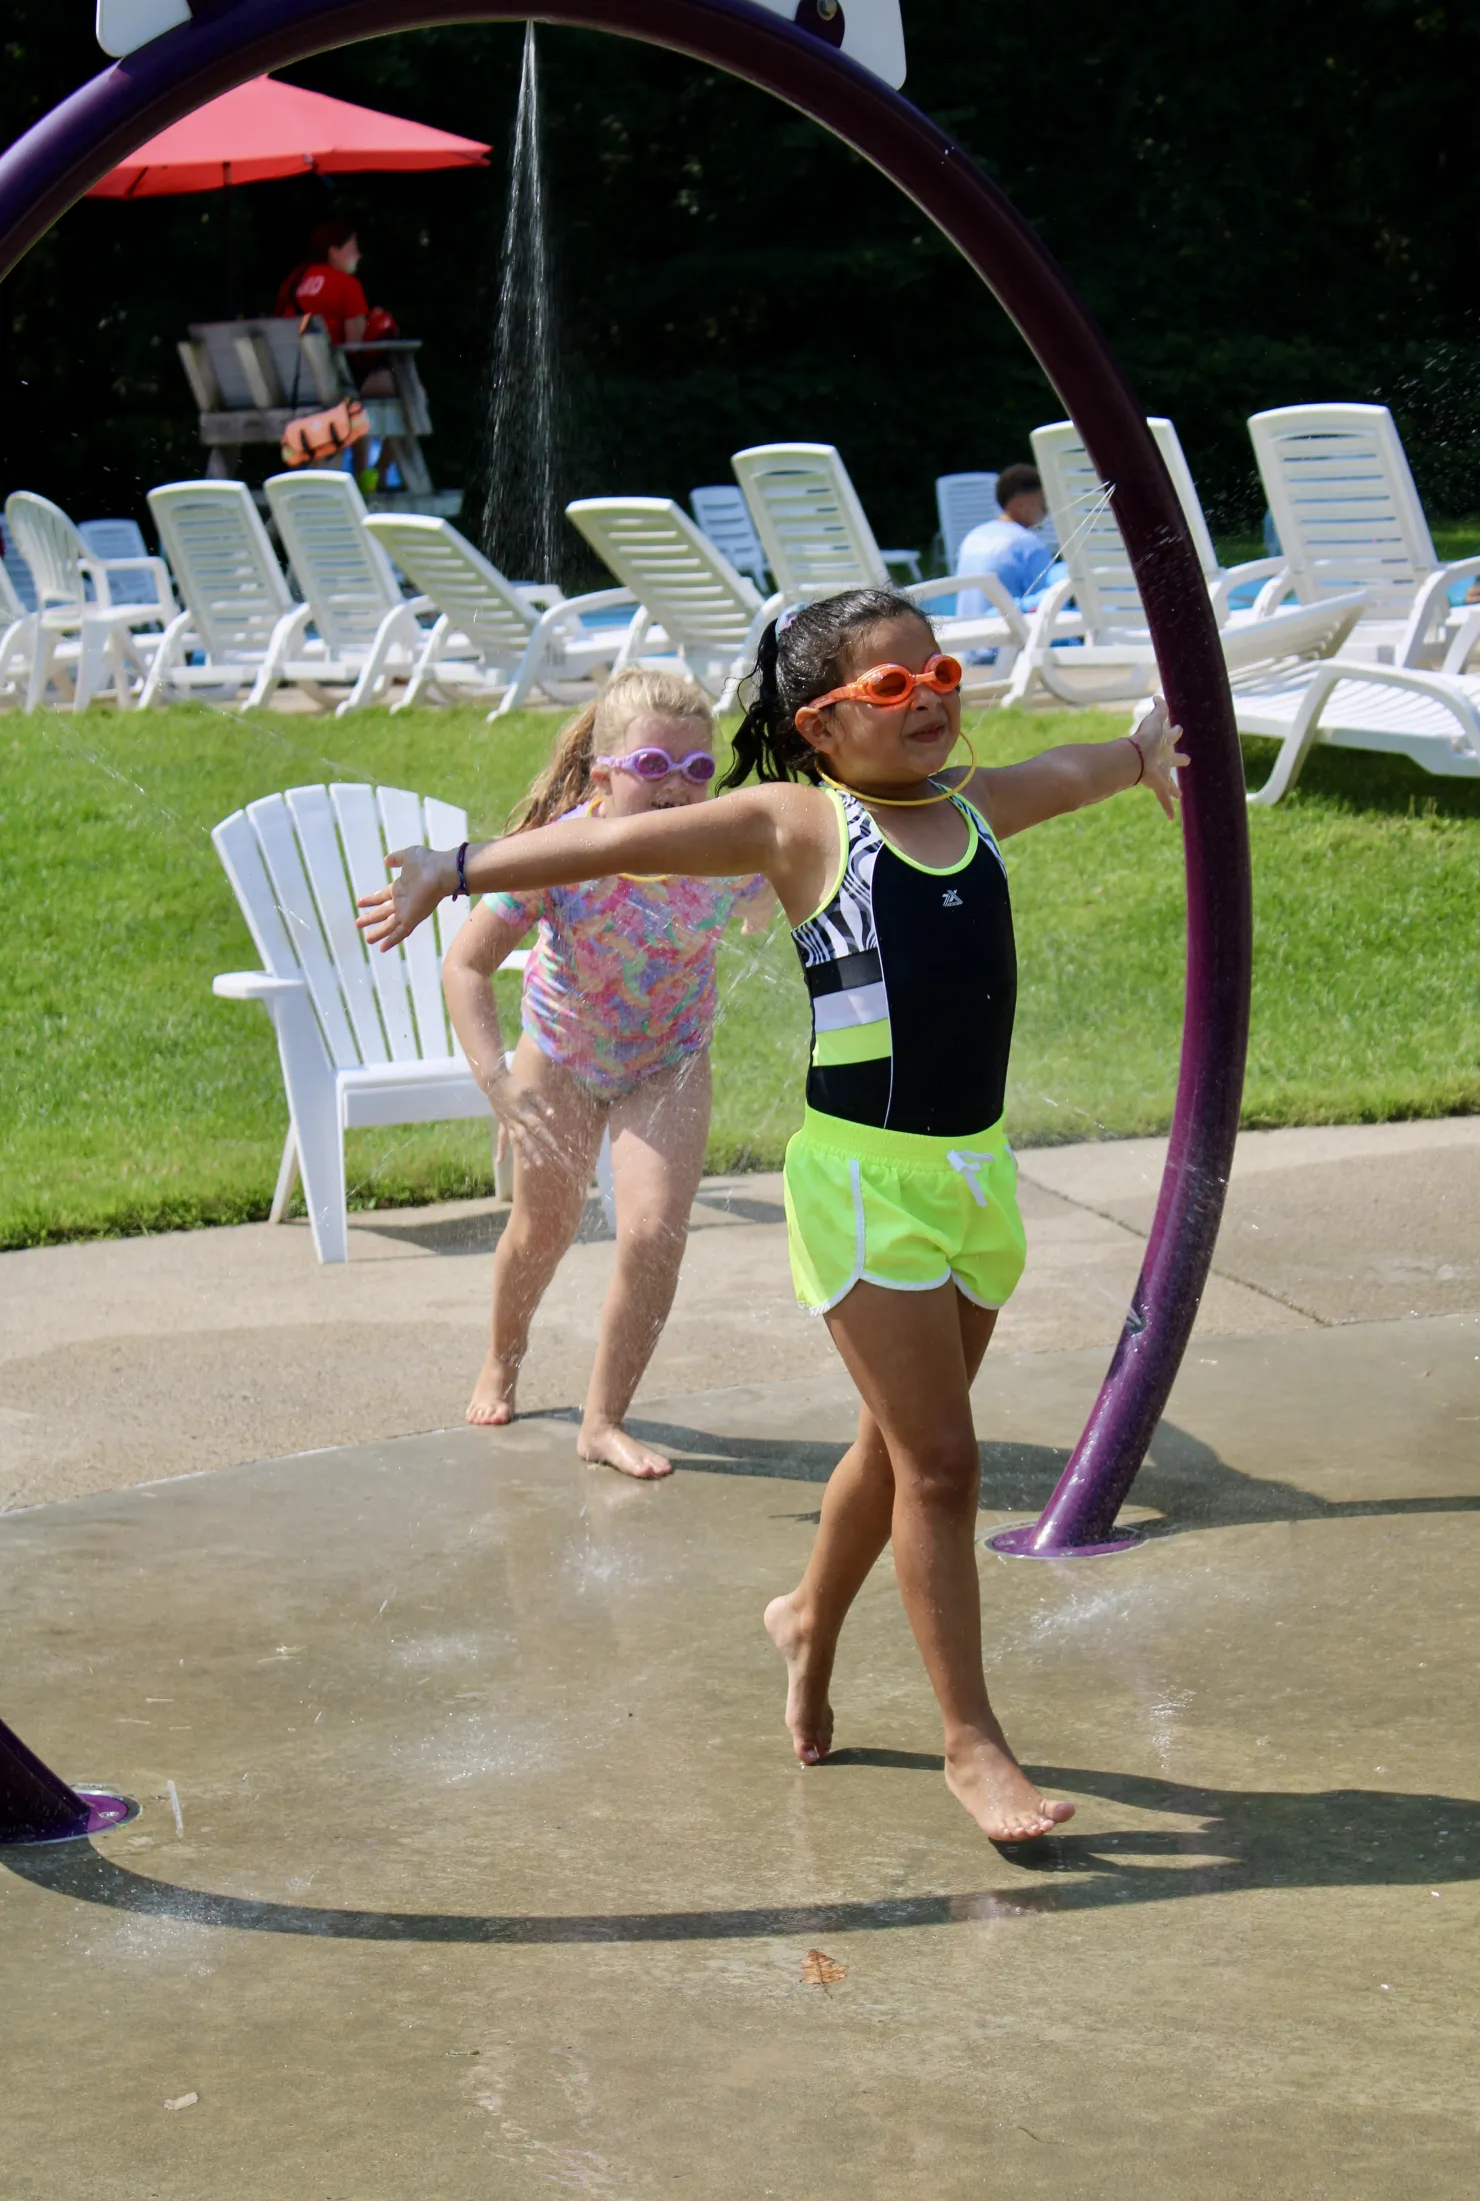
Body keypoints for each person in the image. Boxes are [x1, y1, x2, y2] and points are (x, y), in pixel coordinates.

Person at [357, 589, 1186, 1844]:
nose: (930, 701)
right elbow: (589, 849)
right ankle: (972, 1744)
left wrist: (1138, 757)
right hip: (861, 1187)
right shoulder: (801, 825)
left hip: (972, 1175)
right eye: (889, 690)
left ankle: (804, 1618)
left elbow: (1064, 772)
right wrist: (455, 869)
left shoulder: (968, 809)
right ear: (817, 726)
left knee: (893, 1444)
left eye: (940, 676)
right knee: (945, 1466)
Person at [440, 668, 773, 1480]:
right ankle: (502, 1357)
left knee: (654, 1234)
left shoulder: (725, 852)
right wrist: (497, 1079)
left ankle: (603, 1420)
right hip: (559, 1055)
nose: (676, 788)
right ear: (603, 776)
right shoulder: (563, 853)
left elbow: (786, 892)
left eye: (698, 771)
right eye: (653, 767)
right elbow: (466, 965)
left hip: (671, 1059)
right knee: (543, 1230)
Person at [954, 462, 1057, 622]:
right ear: (1023, 503)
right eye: (1043, 502)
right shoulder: (1028, 545)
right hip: (1007, 641)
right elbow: (1053, 604)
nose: (1047, 510)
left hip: (968, 640)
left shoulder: (974, 536)